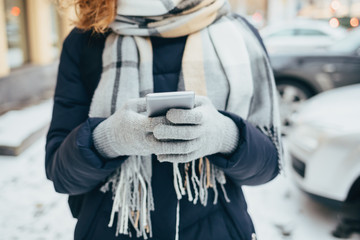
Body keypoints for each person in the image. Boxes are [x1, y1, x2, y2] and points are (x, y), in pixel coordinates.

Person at [46, 0, 283, 239]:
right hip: (110, 228)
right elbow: (60, 174)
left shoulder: (239, 34)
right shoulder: (87, 39)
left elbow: (269, 165)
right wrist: (108, 139)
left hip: (217, 228)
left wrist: (226, 136)